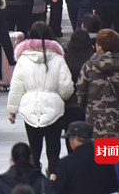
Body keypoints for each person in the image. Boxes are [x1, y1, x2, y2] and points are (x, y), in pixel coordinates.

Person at [7, 22, 73, 177]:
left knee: (34, 148)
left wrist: (12, 110)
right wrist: (59, 97)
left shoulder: (23, 60)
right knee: (53, 146)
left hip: (30, 108)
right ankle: (53, 175)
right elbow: (67, 87)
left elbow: (17, 86)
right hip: (54, 109)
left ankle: (35, 175)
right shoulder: (58, 58)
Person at [76, 28, 119, 181]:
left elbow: (81, 91)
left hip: (94, 117)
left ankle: (98, 185)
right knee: (113, 154)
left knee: (96, 153)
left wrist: (86, 107)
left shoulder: (89, 65)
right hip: (116, 115)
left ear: (99, 45)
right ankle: (113, 186)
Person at [52, 121, 119, 194]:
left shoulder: (65, 163)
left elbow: (58, 190)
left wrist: (52, 181)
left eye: (70, 139)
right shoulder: (104, 158)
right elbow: (113, 186)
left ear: (76, 139)